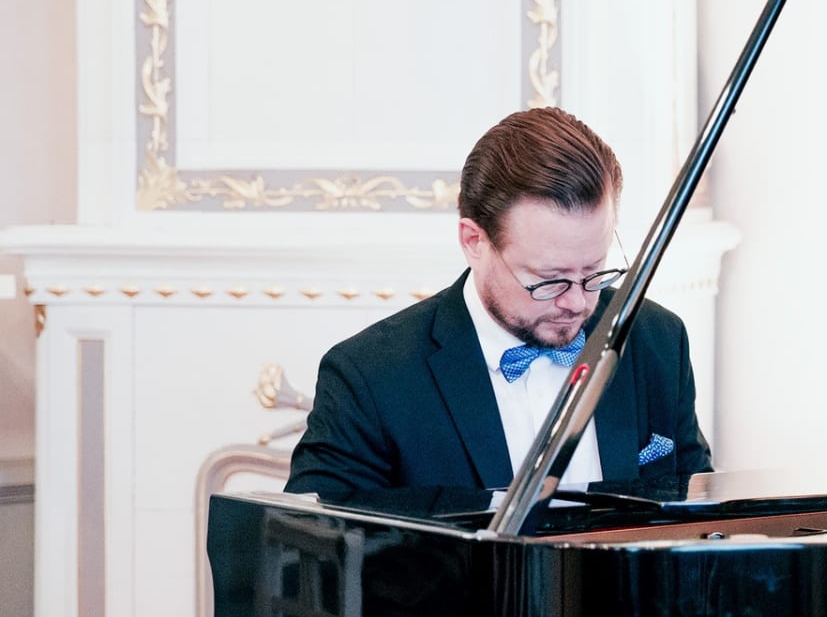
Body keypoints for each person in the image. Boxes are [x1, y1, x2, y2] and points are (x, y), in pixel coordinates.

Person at [288, 108, 711, 498]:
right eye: (549, 280)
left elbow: (701, 525)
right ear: (474, 241)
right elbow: (312, 562)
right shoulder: (370, 379)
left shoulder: (658, 340)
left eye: (595, 271)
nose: (579, 302)